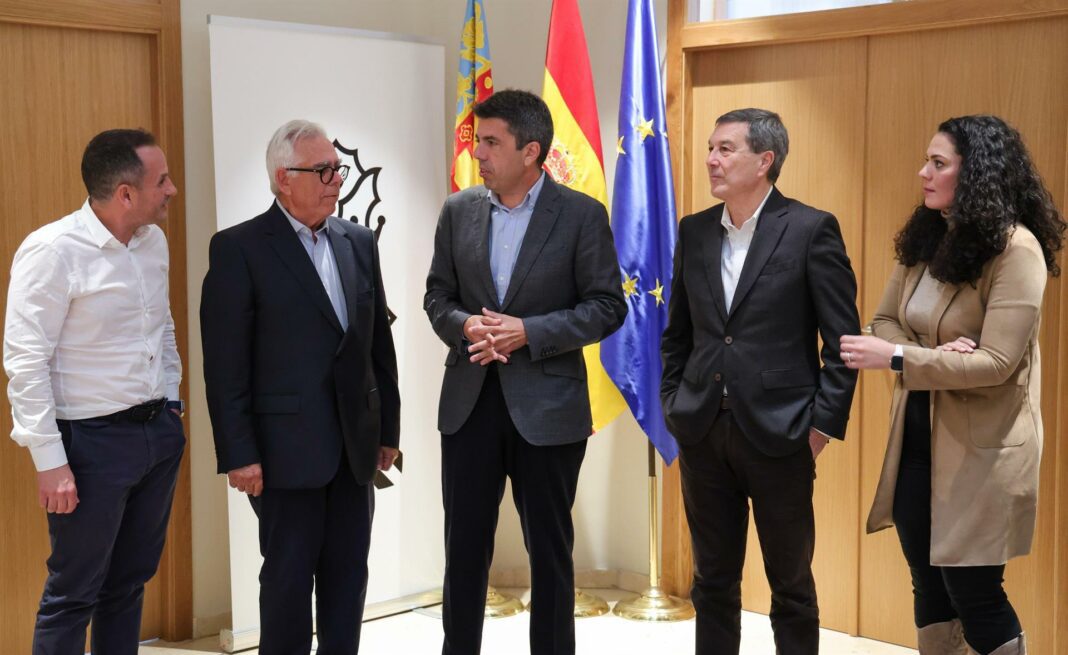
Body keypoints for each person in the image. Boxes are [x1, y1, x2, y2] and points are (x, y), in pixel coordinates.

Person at [841, 115, 1064, 655]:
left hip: (984, 453)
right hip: (916, 442)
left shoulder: (1017, 250)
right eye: (927, 160)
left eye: (938, 163)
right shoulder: (927, 238)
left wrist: (900, 357)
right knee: (928, 584)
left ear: (976, 174)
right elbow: (884, 320)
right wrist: (927, 354)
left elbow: (997, 363)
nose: (923, 173)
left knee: (975, 594)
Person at [424, 89, 627, 655]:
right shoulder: (458, 210)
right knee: (463, 550)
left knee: (550, 552)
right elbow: (437, 297)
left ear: (531, 151)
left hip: (549, 410)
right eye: (478, 141)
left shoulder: (581, 215)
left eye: (492, 142)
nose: (479, 153)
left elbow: (607, 306)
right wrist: (465, 325)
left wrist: (529, 332)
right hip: (469, 405)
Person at [660, 108, 859, 655]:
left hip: (783, 432)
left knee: (790, 585)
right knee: (711, 582)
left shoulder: (810, 229)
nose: (711, 159)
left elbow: (842, 342)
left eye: (725, 149)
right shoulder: (694, 230)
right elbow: (678, 333)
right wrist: (674, 402)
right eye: (710, 147)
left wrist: (822, 426)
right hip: (702, 428)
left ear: (764, 160)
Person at [201, 119, 400, 655]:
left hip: (354, 451)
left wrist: (387, 431)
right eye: (323, 170)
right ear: (283, 179)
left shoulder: (358, 242)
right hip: (283, 454)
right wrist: (239, 453)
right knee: (288, 583)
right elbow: (225, 365)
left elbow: (377, 345)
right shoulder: (239, 248)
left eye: (338, 169)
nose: (336, 180)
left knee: (348, 579)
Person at [4, 128, 184, 655]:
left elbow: (162, 327)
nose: (171, 190)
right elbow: (25, 361)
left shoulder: (152, 242)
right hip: (89, 445)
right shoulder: (52, 251)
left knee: (128, 585)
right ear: (125, 193)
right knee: (73, 594)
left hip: (156, 434)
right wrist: (49, 461)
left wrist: (172, 402)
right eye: (161, 180)